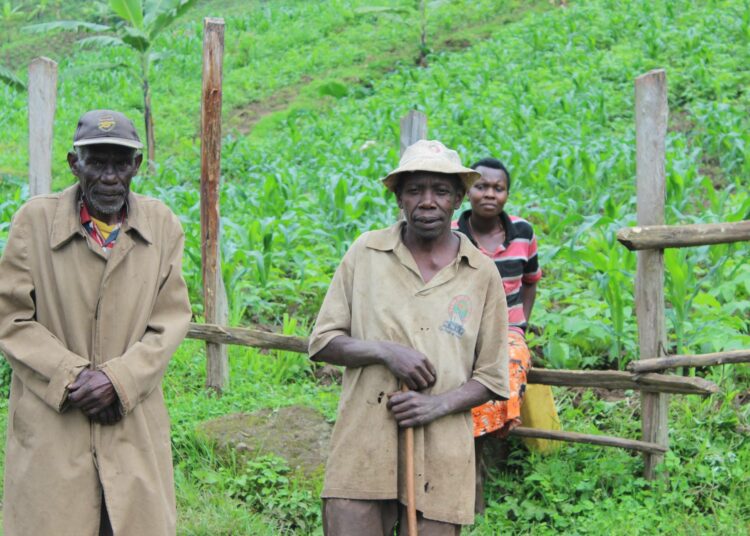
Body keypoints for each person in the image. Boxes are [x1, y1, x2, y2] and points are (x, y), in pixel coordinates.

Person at [0, 109, 192, 536]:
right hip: (55, 423)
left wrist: (118, 380)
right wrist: (72, 376)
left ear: (136, 167)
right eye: (97, 163)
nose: (110, 177)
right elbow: (11, 318)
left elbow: (170, 320)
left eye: (120, 164)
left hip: (131, 422)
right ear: (74, 164)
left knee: (129, 519)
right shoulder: (34, 222)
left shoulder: (162, 226)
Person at [309, 140, 510, 535]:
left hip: (443, 452)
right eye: (416, 190)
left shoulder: (481, 273)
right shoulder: (366, 253)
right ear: (399, 198)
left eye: (440, 191)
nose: (428, 201)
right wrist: (385, 352)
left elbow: (492, 378)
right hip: (364, 441)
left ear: (457, 199)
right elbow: (323, 341)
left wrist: (436, 406)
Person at [452, 157, 550, 511]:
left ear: (507, 193)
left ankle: (482, 448)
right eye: (481, 186)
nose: (489, 194)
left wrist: (519, 321)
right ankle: (472, 460)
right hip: (460, 327)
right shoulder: (451, 234)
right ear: (468, 192)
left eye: (498, 188)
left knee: (508, 364)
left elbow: (530, 281)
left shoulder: (522, 232)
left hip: (507, 327)